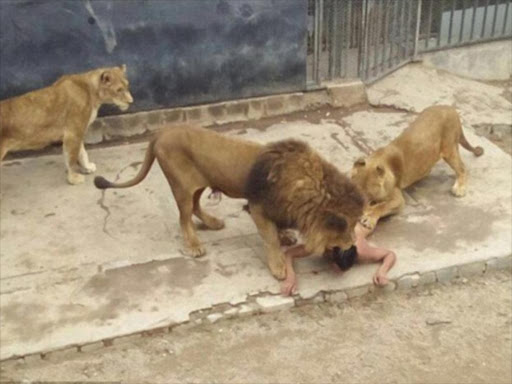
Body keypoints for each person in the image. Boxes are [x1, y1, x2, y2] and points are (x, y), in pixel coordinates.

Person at [281, 222, 396, 296]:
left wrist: (382, 272)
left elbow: (390, 254)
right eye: (338, 268)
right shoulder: (323, 244)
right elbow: (289, 253)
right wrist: (290, 276)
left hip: (360, 224)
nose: (340, 273)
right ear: (330, 254)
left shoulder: (362, 251)